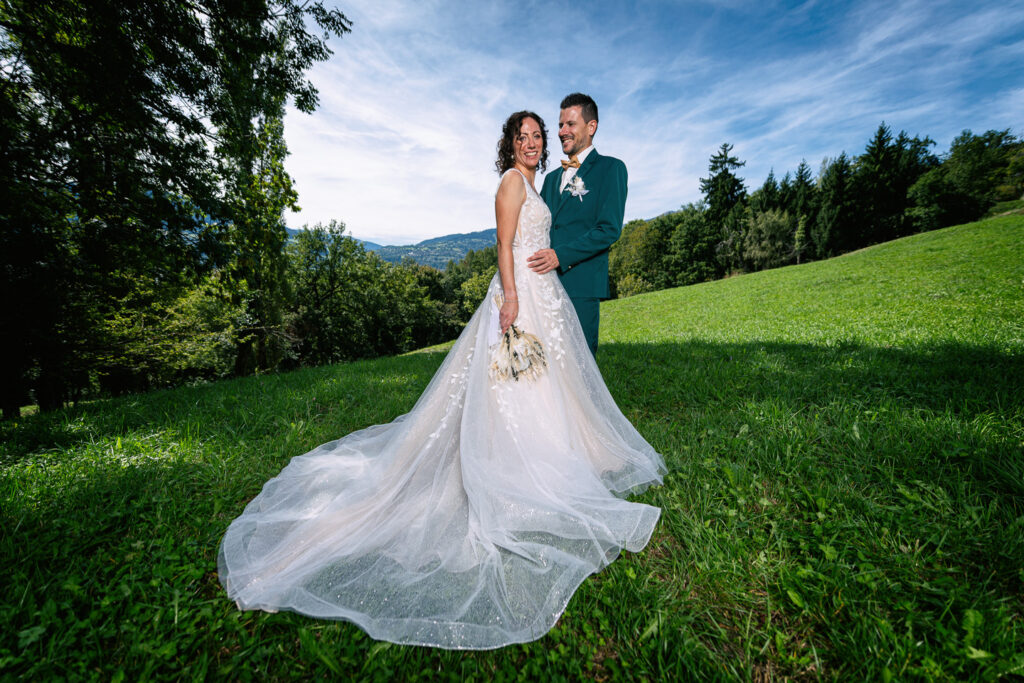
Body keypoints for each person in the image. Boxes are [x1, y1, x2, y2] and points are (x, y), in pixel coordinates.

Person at [217, 111, 665, 650]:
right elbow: (505, 246)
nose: (531, 143)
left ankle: (559, 449)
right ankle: (518, 463)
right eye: (522, 137)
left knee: (548, 384)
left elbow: (573, 230)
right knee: (514, 385)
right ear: (510, 145)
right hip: (521, 295)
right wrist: (513, 299)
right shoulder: (509, 181)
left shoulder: (541, 181)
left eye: (537, 136)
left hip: (549, 295)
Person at [529, 93, 625, 356]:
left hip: (581, 285)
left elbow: (609, 229)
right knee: (547, 364)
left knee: (580, 365)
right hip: (545, 284)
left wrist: (561, 256)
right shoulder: (550, 179)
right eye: (560, 125)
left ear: (591, 127)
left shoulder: (611, 169)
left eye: (570, 124)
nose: (562, 131)